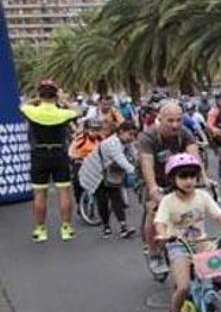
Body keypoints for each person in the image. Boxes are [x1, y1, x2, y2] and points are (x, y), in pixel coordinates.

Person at [153, 153, 221, 312]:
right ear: (173, 179)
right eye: (183, 177)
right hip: (177, 244)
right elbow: (160, 222)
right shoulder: (168, 201)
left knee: (213, 251)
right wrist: (163, 234)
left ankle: (219, 284)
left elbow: (217, 214)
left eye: (192, 176)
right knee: (183, 286)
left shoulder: (202, 196)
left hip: (199, 241)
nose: (188, 181)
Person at [138, 100, 203, 270]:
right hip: (156, 179)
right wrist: (153, 188)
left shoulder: (185, 133)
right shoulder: (148, 137)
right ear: (160, 119)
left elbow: (195, 156)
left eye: (179, 120)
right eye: (170, 120)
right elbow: (147, 164)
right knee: (154, 211)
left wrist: (204, 178)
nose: (175, 125)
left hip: (178, 178)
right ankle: (154, 254)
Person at [21, 80, 79, 242]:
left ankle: (40, 229)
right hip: (59, 153)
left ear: (40, 95)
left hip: (39, 154)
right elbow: (77, 110)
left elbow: (23, 105)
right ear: (55, 95)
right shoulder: (62, 113)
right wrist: (63, 100)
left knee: (39, 193)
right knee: (64, 192)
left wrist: (35, 99)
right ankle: (66, 228)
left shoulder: (32, 111)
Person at [78, 120, 140, 238]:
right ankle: (106, 226)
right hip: (95, 172)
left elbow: (135, 155)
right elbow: (121, 159)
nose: (132, 138)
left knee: (116, 198)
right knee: (102, 200)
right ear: (121, 132)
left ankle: (123, 227)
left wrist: (141, 165)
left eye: (134, 135)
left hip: (110, 173)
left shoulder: (127, 142)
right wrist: (134, 172)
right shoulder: (112, 143)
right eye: (130, 134)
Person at [69, 117, 105, 207]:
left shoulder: (101, 140)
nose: (94, 132)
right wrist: (77, 156)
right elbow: (71, 151)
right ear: (86, 130)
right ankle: (79, 200)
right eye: (92, 130)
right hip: (81, 162)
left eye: (97, 130)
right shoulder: (81, 139)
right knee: (77, 181)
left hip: (96, 164)